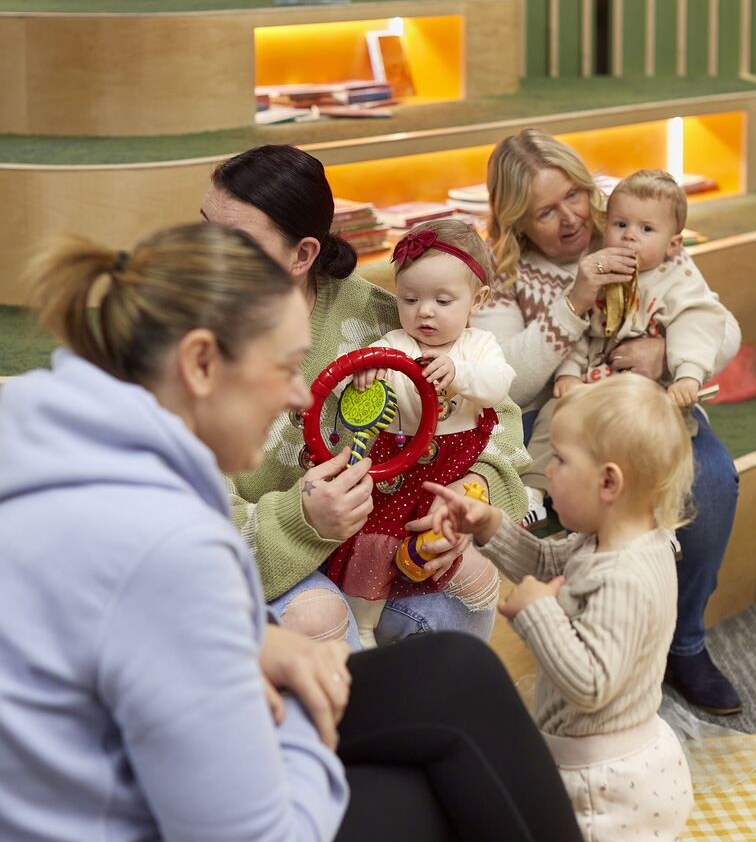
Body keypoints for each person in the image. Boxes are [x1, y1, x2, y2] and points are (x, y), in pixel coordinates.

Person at [0, 222, 674, 842]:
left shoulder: (31, 431)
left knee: (456, 682)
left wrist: (249, 641)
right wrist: (303, 733)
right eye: (286, 367)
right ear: (202, 362)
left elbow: (82, 617)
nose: (299, 395)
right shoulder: (171, 543)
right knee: (459, 794)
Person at [426, 374, 696, 842]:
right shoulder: (619, 539)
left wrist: (534, 614)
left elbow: (590, 683)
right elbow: (553, 567)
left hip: (605, 783)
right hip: (639, 762)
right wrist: (491, 527)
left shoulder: (625, 577)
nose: (546, 471)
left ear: (608, 482)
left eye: (559, 460)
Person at [200, 144, 529, 649]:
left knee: (472, 580)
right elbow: (189, 519)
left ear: (303, 254)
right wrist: (302, 521)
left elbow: (498, 420)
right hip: (260, 550)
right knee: (318, 615)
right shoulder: (185, 340)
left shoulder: (386, 318)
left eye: (236, 241)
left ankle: (421, 725)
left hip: (380, 539)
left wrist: (469, 496)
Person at [475, 129, 742, 715]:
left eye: (574, 194)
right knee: (566, 489)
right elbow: (507, 383)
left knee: (715, 480)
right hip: (554, 415)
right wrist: (572, 305)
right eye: (546, 211)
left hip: (645, 403)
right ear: (517, 219)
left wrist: (664, 353)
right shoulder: (505, 273)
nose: (571, 217)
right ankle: (590, 632)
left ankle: (685, 642)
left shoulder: (635, 227)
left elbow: (720, 325)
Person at [325, 219, 515, 648]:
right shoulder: (396, 343)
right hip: (400, 466)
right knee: (374, 544)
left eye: (442, 300)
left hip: (455, 464)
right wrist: (364, 373)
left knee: (445, 537)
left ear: (478, 300)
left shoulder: (478, 346)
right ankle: (365, 624)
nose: (424, 311)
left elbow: (498, 384)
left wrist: (460, 373)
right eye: (410, 299)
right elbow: (343, 378)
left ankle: (431, 579)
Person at [554, 169, 729, 410]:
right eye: (620, 224)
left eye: (646, 229)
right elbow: (576, 326)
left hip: (653, 395)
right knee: (554, 426)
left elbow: (697, 324)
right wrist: (568, 373)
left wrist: (688, 375)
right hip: (592, 389)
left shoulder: (678, 280)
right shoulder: (595, 273)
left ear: (673, 245)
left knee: (657, 437)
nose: (629, 236)